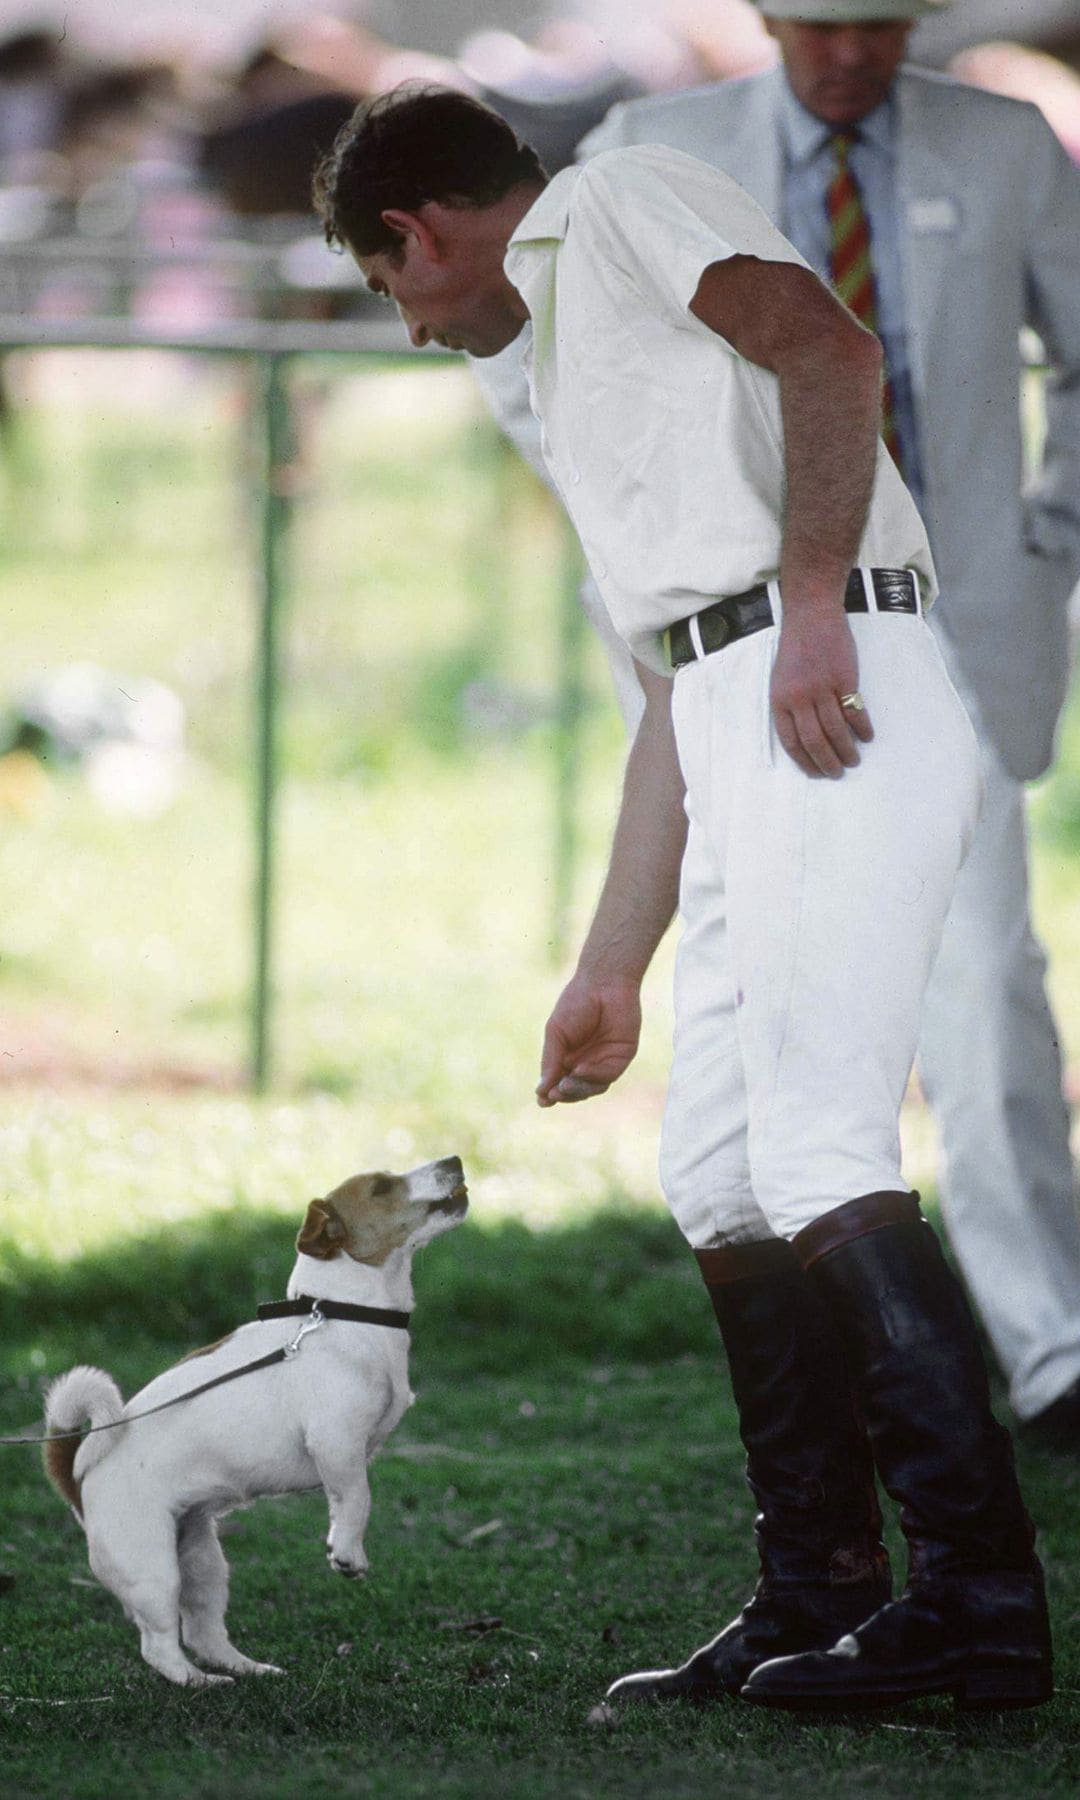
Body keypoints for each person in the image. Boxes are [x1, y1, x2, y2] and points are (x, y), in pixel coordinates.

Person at [312, 83, 1051, 1712]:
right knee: (718, 1171)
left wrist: (807, 608)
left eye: (388, 290)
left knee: (816, 1148)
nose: (415, 330)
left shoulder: (622, 198)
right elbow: (670, 690)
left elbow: (830, 350)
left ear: (418, 232)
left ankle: (984, 1608)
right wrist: (610, 969)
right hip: (739, 709)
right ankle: (816, 1590)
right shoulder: (564, 343)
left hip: (830, 685)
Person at [478, 0, 1080, 1448]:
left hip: (948, 610)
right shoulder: (657, 143)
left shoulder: (1004, 143)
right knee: (765, 1039)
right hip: (751, 635)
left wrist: (1044, 536)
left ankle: (1048, 1355)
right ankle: (849, 1407)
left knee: (981, 984)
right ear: (762, 18)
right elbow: (563, 380)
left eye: (880, 23)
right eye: (818, 21)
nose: (849, 51)